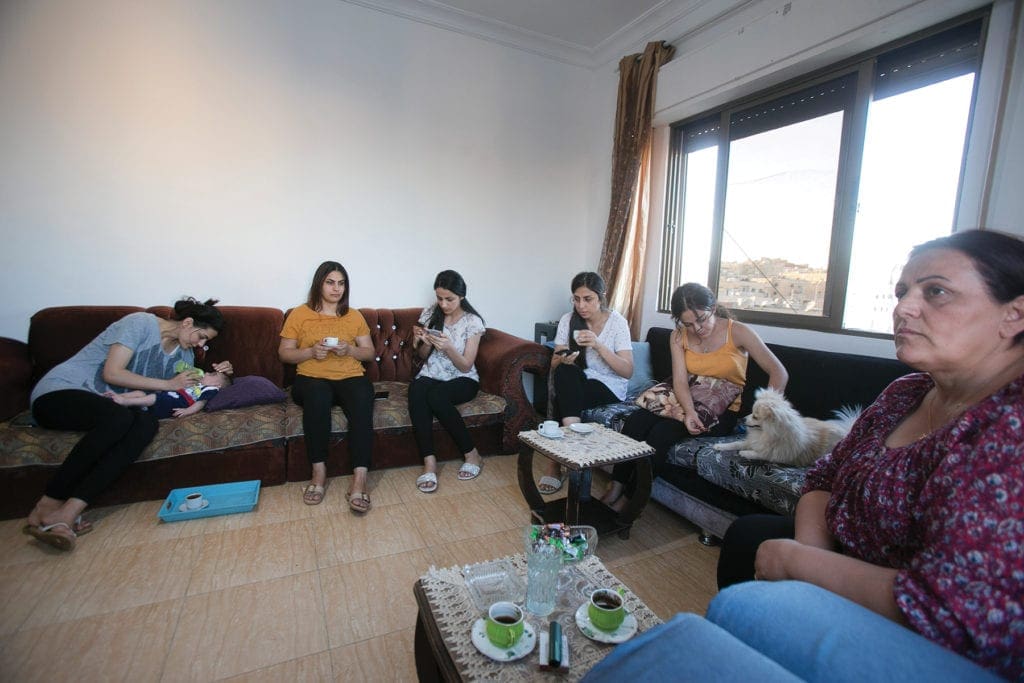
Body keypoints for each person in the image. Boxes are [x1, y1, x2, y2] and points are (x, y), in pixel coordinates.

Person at [716, 230, 1024, 680]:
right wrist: (812, 560)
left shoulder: (1009, 426)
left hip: (930, 627)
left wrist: (797, 564)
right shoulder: (907, 391)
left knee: (741, 605)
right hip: (845, 547)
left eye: (935, 291)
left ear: (1014, 314)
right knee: (747, 536)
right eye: (902, 292)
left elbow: (954, 614)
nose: (904, 307)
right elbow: (824, 475)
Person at [23, 297, 231, 551]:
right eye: (201, 336)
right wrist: (168, 384)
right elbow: (112, 373)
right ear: (187, 322)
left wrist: (223, 374)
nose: (201, 344)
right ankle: (48, 503)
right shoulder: (140, 323)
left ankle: (68, 511)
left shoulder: (185, 356)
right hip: (61, 393)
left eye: (206, 342)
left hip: (113, 406)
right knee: (120, 418)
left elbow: (173, 393)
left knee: (145, 425)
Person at [604, 283, 787, 511]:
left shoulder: (738, 331)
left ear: (713, 307)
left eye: (702, 318)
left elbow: (779, 372)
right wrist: (689, 411)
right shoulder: (678, 336)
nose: (697, 328)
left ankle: (631, 500)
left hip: (721, 412)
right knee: (635, 422)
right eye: (688, 323)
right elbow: (680, 381)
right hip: (684, 401)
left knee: (660, 434)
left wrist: (767, 416)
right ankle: (616, 486)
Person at [279, 261, 375, 512]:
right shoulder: (300, 314)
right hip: (311, 377)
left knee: (363, 397)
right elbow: (284, 354)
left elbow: (369, 353)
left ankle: (360, 480)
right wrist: (311, 352)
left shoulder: (354, 315)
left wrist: (349, 349)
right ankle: (318, 473)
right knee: (317, 395)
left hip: (350, 375)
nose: (336, 289)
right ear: (319, 284)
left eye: (341, 283)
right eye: (330, 282)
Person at [536, 272, 634, 494]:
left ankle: (557, 463)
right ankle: (575, 450)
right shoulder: (568, 320)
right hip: (580, 379)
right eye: (576, 299)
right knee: (564, 372)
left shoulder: (617, 323)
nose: (581, 305)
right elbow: (553, 363)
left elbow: (627, 371)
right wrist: (563, 358)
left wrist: (598, 345)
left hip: (609, 386)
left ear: (601, 297)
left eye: (587, 299)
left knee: (565, 389)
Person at [409, 270, 487, 493]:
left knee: (437, 396)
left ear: (461, 296)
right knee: (417, 390)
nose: (443, 304)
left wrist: (449, 347)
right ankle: (429, 463)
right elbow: (424, 356)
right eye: (440, 298)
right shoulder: (432, 313)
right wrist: (422, 341)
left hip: (463, 379)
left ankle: (472, 454)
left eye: (449, 299)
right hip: (432, 374)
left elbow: (465, 365)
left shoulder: (473, 322)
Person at [108, 369, 232, 418]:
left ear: (218, 385)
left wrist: (188, 411)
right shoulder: (198, 384)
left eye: (212, 375)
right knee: (140, 393)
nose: (207, 373)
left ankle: (125, 401)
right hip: (168, 396)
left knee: (153, 397)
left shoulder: (210, 390)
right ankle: (114, 399)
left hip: (177, 402)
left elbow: (201, 402)